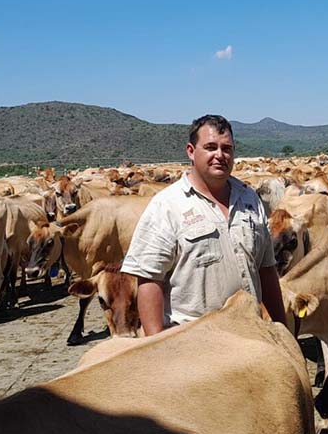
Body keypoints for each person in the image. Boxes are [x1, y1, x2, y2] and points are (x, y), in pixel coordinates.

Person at [120, 114, 288, 334]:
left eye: (227, 148)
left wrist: (282, 330)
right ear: (191, 151)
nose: (220, 155)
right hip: (193, 342)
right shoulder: (167, 206)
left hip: (251, 335)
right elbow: (149, 279)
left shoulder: (250, 199)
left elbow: (266, 271)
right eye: (210, 147)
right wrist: (156, 346)